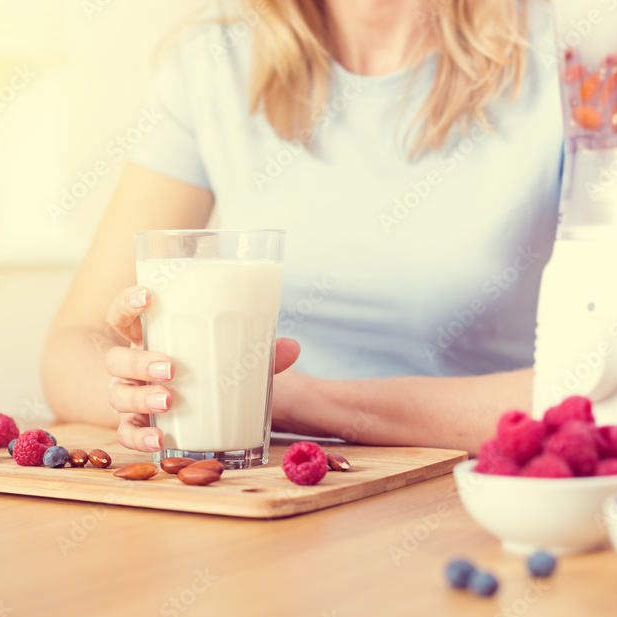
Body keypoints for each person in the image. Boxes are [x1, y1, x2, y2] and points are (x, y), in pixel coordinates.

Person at [42, 0, 563, 454]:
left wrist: (302, 404)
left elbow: (612, 390)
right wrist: (143, 396)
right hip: (271, 487)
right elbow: (74, 345)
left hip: (476, 492)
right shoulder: (214, 62)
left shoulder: (569, 60)